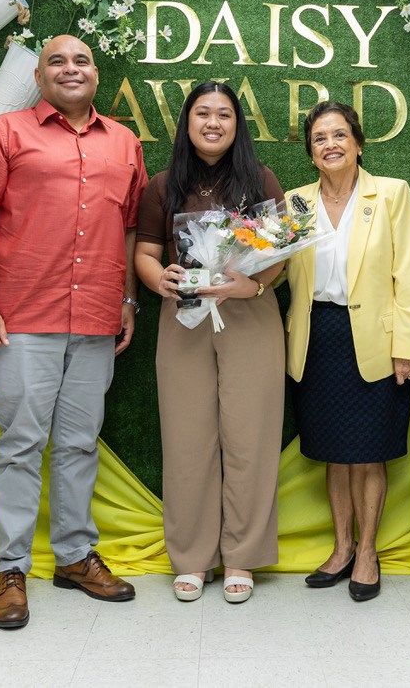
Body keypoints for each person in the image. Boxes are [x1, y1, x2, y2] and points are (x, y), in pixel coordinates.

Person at [0, 34, 147, 630]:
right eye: (57, 60)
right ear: (39, 76)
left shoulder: (124, 142)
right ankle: (10, 568)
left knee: (79, 444)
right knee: (19, 445)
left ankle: (72, 557)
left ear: (96, 74)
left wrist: (127, 300)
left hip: (94, 320)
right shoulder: (5, 134)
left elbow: (132, 226)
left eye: (81, 60)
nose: (71, 68)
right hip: (20, 320)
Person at [134, 82, 286, 604]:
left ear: (237, 124)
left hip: (250, 313)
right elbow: (146, 252)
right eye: (203, 113)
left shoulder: (260, 179)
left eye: (224, 114)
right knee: (187, 439)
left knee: (251, 437)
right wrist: (159, 281)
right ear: (187, 121)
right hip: (185, 316)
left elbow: (280, 253)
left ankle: (242, 557)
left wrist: (256, 284)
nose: (214, 122)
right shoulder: (161, 185)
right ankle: (193, 559)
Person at [283, 102, 410, 602]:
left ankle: (368, 552)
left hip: (376, 342)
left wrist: (408, 347)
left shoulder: (389, 194)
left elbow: (409, 276)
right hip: (315, 339)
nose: (331, 144)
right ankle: (341, 548)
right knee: (333, 456)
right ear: (311, 152)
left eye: (339, 134)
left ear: (358, 142)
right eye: (320, 138)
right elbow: (275, 270)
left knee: (368, 456)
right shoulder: (295, 203)